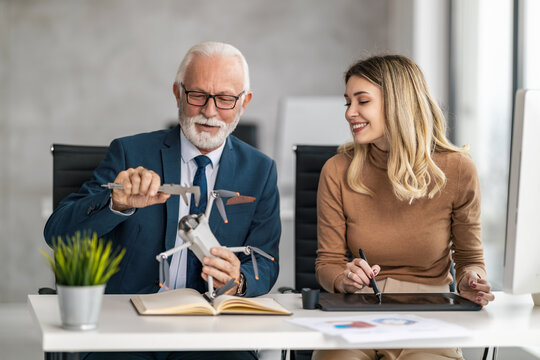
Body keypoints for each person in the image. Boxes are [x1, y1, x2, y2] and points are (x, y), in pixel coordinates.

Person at [44, 41, 281, 360]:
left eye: (224, 99)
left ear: (244, 102)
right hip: (127, 328)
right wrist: (117, 203)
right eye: (197, 95)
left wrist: (238, 280)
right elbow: (58, 235)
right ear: (177, 93)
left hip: (212, 334)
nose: (209, 112)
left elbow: (265, 262)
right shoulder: (130, 154)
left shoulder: (261, 171)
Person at [313, 55, 494, 360]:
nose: (350, 113)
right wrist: (343, 278)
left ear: (398, 103)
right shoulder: (336, 170)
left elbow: (469, 258)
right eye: (348, 102)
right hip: (357, 314)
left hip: (431, 317)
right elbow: (327, 262)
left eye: (362, 101)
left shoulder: (458, 169)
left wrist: (470, 278)